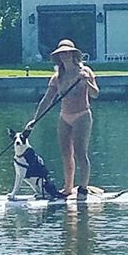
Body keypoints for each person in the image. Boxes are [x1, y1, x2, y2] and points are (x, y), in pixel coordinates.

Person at [26, 39, 99, 196]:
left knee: (80, 153)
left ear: (73, 54)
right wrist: (35, 120)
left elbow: (95, 94)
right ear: (58, 57)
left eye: (67, 52)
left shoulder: (84, 71)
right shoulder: (57, 77)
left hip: (82, 115)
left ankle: (83, 188)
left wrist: (87, 82)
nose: (65, 55)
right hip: (64, 117)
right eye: (61, 54)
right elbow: (47, 99)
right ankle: (67, 188)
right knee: (66, 154)